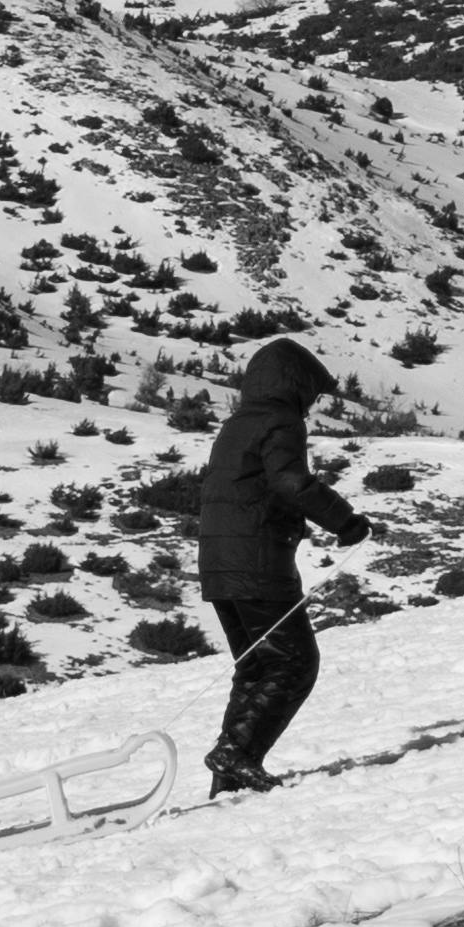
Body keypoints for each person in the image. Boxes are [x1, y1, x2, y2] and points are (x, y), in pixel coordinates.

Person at [194, 331, 367, 796]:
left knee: (255, 669)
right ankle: (237, 755)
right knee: (294, 664)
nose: (310, 404)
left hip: (218, 565)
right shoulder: (281, 421)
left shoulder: (236, 424)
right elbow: (290, 481)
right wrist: (345, 522)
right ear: (294, 385)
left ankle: (228, 778)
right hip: (257, 562)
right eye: (309, 393)